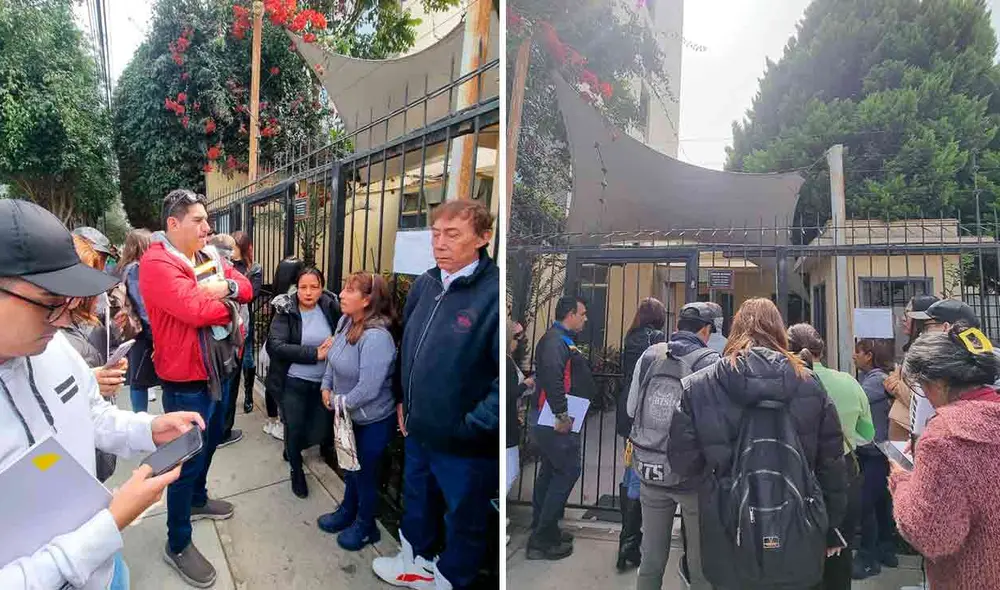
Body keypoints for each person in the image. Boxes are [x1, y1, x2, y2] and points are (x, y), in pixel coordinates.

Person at [0, 199, 204, 590]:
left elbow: (90, 413)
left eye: (68, 303)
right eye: (48, 305)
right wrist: (110, 522)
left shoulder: (52, 347)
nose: (63, 318)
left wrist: (148, 429)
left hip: (108, 570)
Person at [669, 298, 848, 590]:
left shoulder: (698, 387)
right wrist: (831, 524)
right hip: (797, 520)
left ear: (733, 329)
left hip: (727, 522)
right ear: (780, 331)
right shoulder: (810, 384)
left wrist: (716, 487)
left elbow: (682, 462)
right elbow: (831, 463)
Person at [372, 200, 499, 590]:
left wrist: (468, 426)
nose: (440, 244)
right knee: (417, 501)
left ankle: (450, 579)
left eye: (453, 234)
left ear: (483, 238)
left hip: (462, 442)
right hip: (417, 428)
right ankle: (416, 563)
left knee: (464, 517)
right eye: (436, 234)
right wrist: (400, 397)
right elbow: (407, 346)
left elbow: (501, 380)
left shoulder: (492, 295)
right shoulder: (427, 284)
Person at [139, 190, 252, 587]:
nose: (208, 228)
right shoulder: (155, 264)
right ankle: (178, 541)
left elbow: (245, 285)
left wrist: (226, 290)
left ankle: (199, 500)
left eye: (207, 221)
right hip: (185, 380)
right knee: (183, 464)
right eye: (199, 221)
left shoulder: (207, 255)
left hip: (216, 368)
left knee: (214, 439)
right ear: (174, 224)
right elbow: (193, 310)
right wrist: (230, 299)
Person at [890, 326, 1000, 590]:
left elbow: (933, 536)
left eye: (923, 386)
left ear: (939, 383)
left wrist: (901, 479)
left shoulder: (944, 435)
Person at [627, 302, 720, 590]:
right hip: (692, 477)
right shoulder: (711, 362)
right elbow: (715, 426)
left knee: (651, 560)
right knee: (700, 566)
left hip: (650, 469)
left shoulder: (649, 354)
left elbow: (632, 409)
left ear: (677, 325)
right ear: (705, 330)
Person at [788, 324, 875, 589]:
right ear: (821, 350)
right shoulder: (848, 382)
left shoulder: (787, 383)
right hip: (844, 474)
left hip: (798, 478)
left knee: (798, 555)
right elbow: (867, 433)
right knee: (841, 555)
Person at [316, 272, 396, 551]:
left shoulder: (377, 338)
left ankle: (366, 526)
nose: (341, 294)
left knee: (365, 474)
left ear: (367, 300)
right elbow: (333, 359)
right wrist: (326, 386)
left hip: (371, 420)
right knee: (350, 468)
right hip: (347, 417)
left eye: (350, 290)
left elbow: (368, 389)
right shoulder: (346, 321)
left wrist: (337, 402)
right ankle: (347, 510)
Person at [265, 267, 340, 498]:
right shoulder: (286, 310)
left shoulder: (330, 306)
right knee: (295, 427)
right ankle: (296, 469)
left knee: (319, 427)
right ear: (296, 288)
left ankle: (293, 450)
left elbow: (346, 330)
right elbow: (275, 345)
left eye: (314, 287)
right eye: (303, 287)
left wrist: (337, 341)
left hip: (323, 384)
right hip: (293, 382)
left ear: (322, 288)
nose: (308, 293)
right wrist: (313, 354)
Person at [525, 295, 588, 561]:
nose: (585, 319)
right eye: (582, 314)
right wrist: (562, 414)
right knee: (568, 470)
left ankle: (543, 527)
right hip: (553, 419)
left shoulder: (559, 339)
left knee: (551, 471)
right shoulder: (555, 341)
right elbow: (552, 376)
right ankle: (541, 540)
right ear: (570, 314)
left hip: (551, 417)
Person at [850, 338, 898, 580]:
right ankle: (885, 550)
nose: (853, 357)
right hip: (877, 452)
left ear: (869, 355)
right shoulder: (876, 380)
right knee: (880, 503)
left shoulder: (876, 381)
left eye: (857, 352)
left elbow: (854, 398)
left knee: (865, 503)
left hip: (876, 453)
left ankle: (867, 557)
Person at [206, 233, 245, 449]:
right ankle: (219, 432)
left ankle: (220, 430)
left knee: (227, 386)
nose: (229, 259)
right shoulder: (209, 270)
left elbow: (247, 290)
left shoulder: (239, 270)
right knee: (221, 391)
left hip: (231, 338)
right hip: (221, 342)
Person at [261, 256, 305, 441]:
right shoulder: (294, 294)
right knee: (284, 384)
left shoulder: (279, 291)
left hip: (272, 342)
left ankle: (272, 421)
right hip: (288, 345)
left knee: (273, 380)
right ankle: (281, 424)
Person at [115, 229, 159, 413]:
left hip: (133, 331)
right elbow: (142, 305)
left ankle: (139, 415)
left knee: (138, 379)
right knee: (139, 380)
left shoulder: (124, 268)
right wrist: (155, 335)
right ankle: (140, 418)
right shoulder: (135, 269)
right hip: (142, 333)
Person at [884, 295, 938, 441]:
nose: (903, 318)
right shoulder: (914, 347)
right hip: (904, 427)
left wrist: (895, 384)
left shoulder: (926, 351)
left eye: (908, 313)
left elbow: (920, 397)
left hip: (911, 431)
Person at [228, 231, 263, 415]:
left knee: (247, 358)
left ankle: (248, 393)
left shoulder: (254, 268)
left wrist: (229, 289)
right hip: (224, 318)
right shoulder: (225, 263)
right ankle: (228, 400)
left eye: (234, 247)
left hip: (244, 319)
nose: (231, 251)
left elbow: (252, 294)